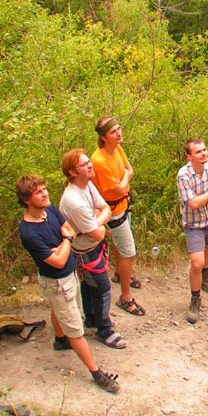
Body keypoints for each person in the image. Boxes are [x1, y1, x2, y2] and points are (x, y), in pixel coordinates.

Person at [16, 174, 121, 393]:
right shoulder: (29, 232)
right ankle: (97, 373)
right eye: (38, 192)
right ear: (27, 199)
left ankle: (60, 340)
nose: (45, 193)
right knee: (76, 327)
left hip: (69, 274)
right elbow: (58, 258)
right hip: (56, 282)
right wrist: (66, 240)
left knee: (61, 309)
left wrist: (66, 240)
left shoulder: (50, 210)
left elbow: (70, 229)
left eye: (44, 189)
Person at [59, 148, 127, 350]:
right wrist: (98, 225)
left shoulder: (87, 185)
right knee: (102, 287)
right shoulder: (74, 201)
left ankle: (91, 318)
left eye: (89, 161)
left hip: (89, 247)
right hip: (84, 251)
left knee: (90, 286)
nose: (90, 165)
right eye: (84, 164)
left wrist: (95, 222)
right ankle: (104, 330)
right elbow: (98, 233)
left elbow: (106, 207)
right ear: (73, 172)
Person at [91, 116, 145, 317]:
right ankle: (125, 297)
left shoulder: (116, 148)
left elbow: (129, 171)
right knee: (129, 252)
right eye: (114, 132)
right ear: (104, 137)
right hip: (112, 212)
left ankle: (119, 274)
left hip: (123, 205)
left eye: (119, 129)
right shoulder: (99, 161)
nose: (119, 133)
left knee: (120, 245)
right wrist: (124, 179)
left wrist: (124, 179)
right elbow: (121, 185)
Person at [176, 138, 208, 324]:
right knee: (196, 262)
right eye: (198, 152)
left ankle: (205, 276)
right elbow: (193, 204)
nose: (204, 153)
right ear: (190, 156)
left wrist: (207, 196)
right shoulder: (184, 176)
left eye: (204, 149)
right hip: (194, 224)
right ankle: (195, 298)